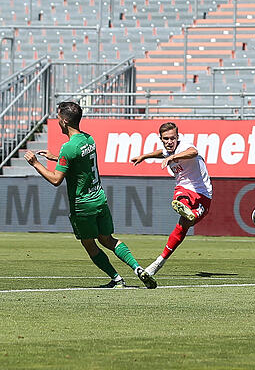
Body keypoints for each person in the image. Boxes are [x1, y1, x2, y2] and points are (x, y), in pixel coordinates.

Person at [24, 101, 156, 289]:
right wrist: (56, 158)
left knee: (90, 244)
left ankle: (117, 279)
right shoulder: (89, 139)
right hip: (99, 199)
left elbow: (56, 180)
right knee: (108, 239)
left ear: (63, 122)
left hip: (82, 205)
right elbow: (80, 162)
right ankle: (138, 268)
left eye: (57, 118)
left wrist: (35, 163)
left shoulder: (68, 147)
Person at [130, 122, 213, 276]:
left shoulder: (184, 147)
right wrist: (144, 156)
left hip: (203, 192)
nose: (169, 142)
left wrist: (173, 157)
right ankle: (158, 262)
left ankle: (192, 212)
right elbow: (161, 153)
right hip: (184, 188)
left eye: (172, 138)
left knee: (184, 223)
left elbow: (193, 152)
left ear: (177, 137)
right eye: (166, 139)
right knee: (181, 206)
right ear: (161, 138)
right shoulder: (168, 150)